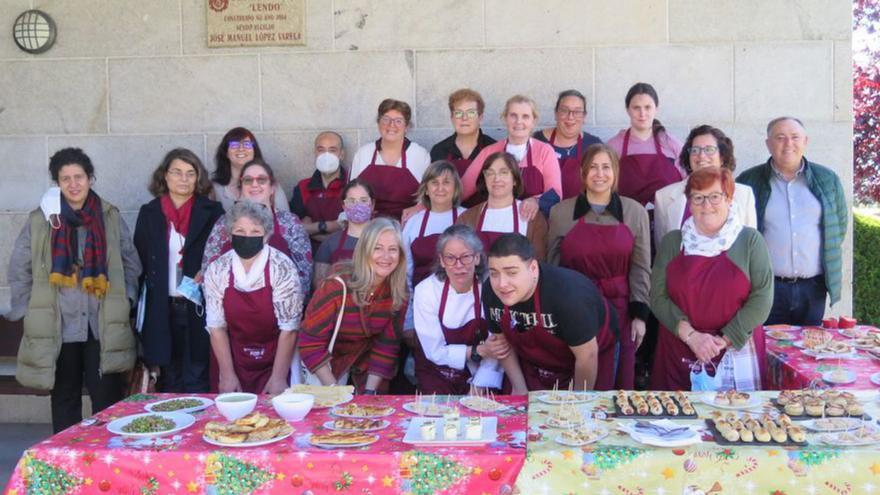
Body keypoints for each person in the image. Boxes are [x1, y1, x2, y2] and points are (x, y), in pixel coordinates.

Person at [6, 148, 141, 433]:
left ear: (90, 178)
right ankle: (66, 463)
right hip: (59, 323)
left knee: (107, 399)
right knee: (64, 397)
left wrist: (125, 300)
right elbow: (20, 268)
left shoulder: (110, 216)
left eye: (78, 176)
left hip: (100, 323)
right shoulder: (41, 220)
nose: (73, 184)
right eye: (65, 178)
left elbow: (131, 262)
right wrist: (29, 309)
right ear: (57, 182)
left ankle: (106, 462)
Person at [651, 167, 773, 391]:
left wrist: (723, 340)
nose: (706, 205)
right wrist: (693, 337)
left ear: (729, 199)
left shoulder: (750, 241)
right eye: (698, 197)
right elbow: (658, 297)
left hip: (735, 349)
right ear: (689, 203)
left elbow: (762, 299)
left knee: (736, 423)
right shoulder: (672, 242)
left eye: (715, 196)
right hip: (679, 348)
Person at [548, 144, 650, 390]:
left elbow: (641, 267)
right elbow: (551, 266)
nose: (599, 174)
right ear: (583, 173)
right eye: (593, 167)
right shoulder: (560, 213)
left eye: (606, 167)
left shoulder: (635, 212)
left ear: (615, 173)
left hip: (620, 309)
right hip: (574, 308)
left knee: (616, 381)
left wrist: (639, 315)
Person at [737, 117, 848, 326]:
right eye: (780, 138)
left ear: (805, 141)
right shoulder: (748, 181)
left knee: (809, 351)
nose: (789, 144)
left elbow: (838, 227)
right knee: (767, 351)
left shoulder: (827, 179)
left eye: (795, 137)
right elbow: (737, 233)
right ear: (768, 144)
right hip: (765, 288)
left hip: (812, 289)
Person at [134, 148, 224, 392]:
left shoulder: (213, 212)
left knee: (198, 375)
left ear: (198, 179)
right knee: (169, 377)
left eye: (190, 173)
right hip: (162, 307)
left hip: (198, 305)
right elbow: (139, 260)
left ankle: (197, 427)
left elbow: (222, 256)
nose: (184, 179)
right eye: (177, 172)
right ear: (165, 176)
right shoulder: (149, 213)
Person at [481, 233, 617, 392]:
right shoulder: (491, 291)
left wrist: (579, 402)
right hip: (536, 364)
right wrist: (519, 388)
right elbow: (502, 345)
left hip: (591, 356)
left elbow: (587, 357)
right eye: (494, 273)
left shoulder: (569, 296)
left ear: (533, 268)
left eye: (511, 273)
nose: (502, 284)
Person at [203, 201, 304, 394]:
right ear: (229, 233)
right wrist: (227, 375)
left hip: (276, 358)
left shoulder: (282, 267)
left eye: (255, 232)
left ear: (266, 236)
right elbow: (216, 327)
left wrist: (278, 378)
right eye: (240, 231)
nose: (247, 237)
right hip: (232, 358)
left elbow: (290, 329)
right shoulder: (218, 269)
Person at [299, 218, 409, 394]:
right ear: (364, 251)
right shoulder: (336, 286)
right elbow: (310, 343)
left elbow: (386, 345)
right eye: (377, 248)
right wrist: (335, 392)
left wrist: (369, 392)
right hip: (326, 369)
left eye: (393, 249)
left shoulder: (398, 291)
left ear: (401, 256)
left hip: (367, 371)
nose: (386, 257)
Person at [412, 225, 503, 394]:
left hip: (481, 370)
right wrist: (478, 351)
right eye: (450, 258)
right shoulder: (426, 291)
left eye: (466, 257)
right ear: (441, 260)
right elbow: (434, 351)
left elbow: (497, 346)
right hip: (435, 374)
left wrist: (479, 384)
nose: (458, 265)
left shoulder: (492, 287)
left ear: (477, 258)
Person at [202, 159, 311, 295]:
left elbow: (304, 273)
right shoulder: (223, 223)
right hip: (230, 309)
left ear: (272, 188)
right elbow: (209, 269)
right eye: (248, 180)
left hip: (279, 309)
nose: (254, 184)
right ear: (240, 187)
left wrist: (288, 305)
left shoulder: (290, 222)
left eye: (261, 180)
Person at [460, 95, 562, 217]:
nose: (519, 121)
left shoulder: (544, 151)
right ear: (505, 119)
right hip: (493, 221)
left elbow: (555, 193)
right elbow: (462, 191)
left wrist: (536, 201)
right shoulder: (489, 152)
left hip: (531, 224)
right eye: (513, 115)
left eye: (525, 116)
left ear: (533, 121)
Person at [654, 125, 757, 246]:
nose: (701, 156)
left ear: (722, 157)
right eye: (695, 150)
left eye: (709, 150)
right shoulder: (664, 197)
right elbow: (663, 247)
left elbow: (750, 246)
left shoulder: (744, 194)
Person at [457, 152, 548, 260]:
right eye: (490, 173)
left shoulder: (533, 218)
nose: (496, 179)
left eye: (503, 173)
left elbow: (539, 263)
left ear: (514, 179)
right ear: (484, 179)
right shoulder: (466, 218)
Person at [607, 83, 685, 209]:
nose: (642, 113)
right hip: (627, 220)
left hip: (667, 221)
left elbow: (688, 184)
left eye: (648, 107)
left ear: (656, 109)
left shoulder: (671, 144)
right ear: (628, 110)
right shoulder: (613, 146)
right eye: (636, 108)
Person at [350, 99, 431, 220]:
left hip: (407, 225)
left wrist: (416, 209)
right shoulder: (363, 153)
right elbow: (351, 195)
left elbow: (429, 197)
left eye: (398, 121)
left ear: (407, 126)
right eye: (386, 119)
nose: (391, 125)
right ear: (378, 123)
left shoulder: (420, 155)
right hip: (368, 226)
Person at [402, 160, 467, 290]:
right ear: (426, 189)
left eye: (446, 182)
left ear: (455, 188)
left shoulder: (468, 217)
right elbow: (405, 270)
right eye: (434, 183)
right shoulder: (414, 222)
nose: (440, 188)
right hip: (421, 300)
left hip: (462, 301)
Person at [534, 89, 603, 200]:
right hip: (543, 212)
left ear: (584, 116)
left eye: (577, 111)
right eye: (564, 110)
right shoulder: (537, 141)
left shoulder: (594, 145)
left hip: (581, 212)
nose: (570, 117)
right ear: (556, 114)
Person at [290, 131, 348, 254]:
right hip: (309, 255)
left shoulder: (352, 185)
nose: (326, 155)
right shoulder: (303, 187)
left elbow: (350, 228)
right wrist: (333, 225)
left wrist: (312, 228)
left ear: (341, 154)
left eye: (332, 150)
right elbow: (296, 228)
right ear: (315, 153)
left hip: (344, 253)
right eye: (321, 150)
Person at [312, 179, 375, 287]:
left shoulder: (384, 240)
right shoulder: (330, 243)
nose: (357, 205)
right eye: (351, 201)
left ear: (372, 204)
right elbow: (319, 285)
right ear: (343, 206)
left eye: (363, 200)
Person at [211, 127, 289, 212]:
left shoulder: (269, 184)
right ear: (226, 153)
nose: (241, 149)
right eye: (234, 145)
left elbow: (286, 219)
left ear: (254, 151)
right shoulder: (215, 188)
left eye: (247, 144)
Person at [430, 88, 497, 178]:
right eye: (458, 113)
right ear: (452, 118)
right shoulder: (439, 151)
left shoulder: (494, 149)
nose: (464, 118)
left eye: (471, 113)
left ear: (480, 117)